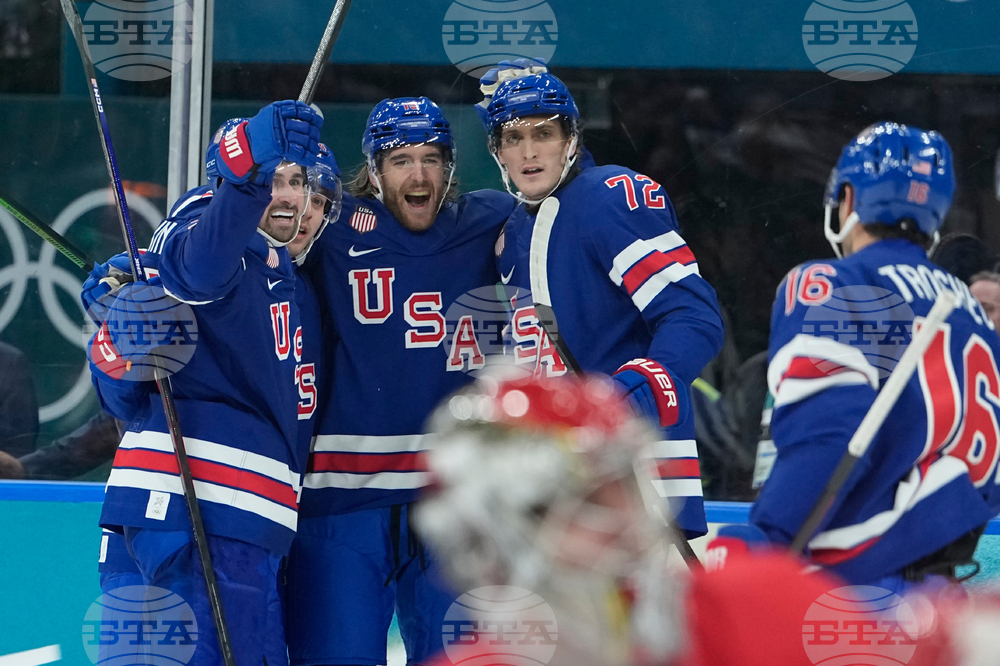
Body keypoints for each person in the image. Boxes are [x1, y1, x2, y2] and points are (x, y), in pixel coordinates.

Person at [86, 100, 325, 666]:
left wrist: (116, 338)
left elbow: (125, 390)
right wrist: (243, 171)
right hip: (204, 513)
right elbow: (198, 264)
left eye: (301, 183)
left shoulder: (295, 285)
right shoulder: (219, 241)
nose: (288, 196)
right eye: (272, 180)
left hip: (205, 517)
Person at [285, 97, 517, 666]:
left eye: (432, 159)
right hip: (342, 503)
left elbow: (568, 214)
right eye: (401, 160)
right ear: (374, 169)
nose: (419, 174)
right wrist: (136, 274)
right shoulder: (328, 224)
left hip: (453, 506)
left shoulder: (491, 218)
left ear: (451, 168)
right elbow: (235, 247)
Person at [416, 372, 847, 666]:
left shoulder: (758, 603)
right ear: (489, 543)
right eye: (584, 500)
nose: (626, 518)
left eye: (626, 483)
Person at [476, 60, 724, 538]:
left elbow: (693, 315)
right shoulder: (513, 232)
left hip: (633, 473)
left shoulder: (609, 196)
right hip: (550, 483)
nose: (528, 151)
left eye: (543, 133)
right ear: (497, 152)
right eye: (512, 137)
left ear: (571, 139)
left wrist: (636, 391)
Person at [750, 122, 1000, 590]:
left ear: (847, 200)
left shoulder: (835, 284)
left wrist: (763, 543)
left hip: (850, 590)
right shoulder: (977, 318)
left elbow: (825, 438)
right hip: (942, 592)